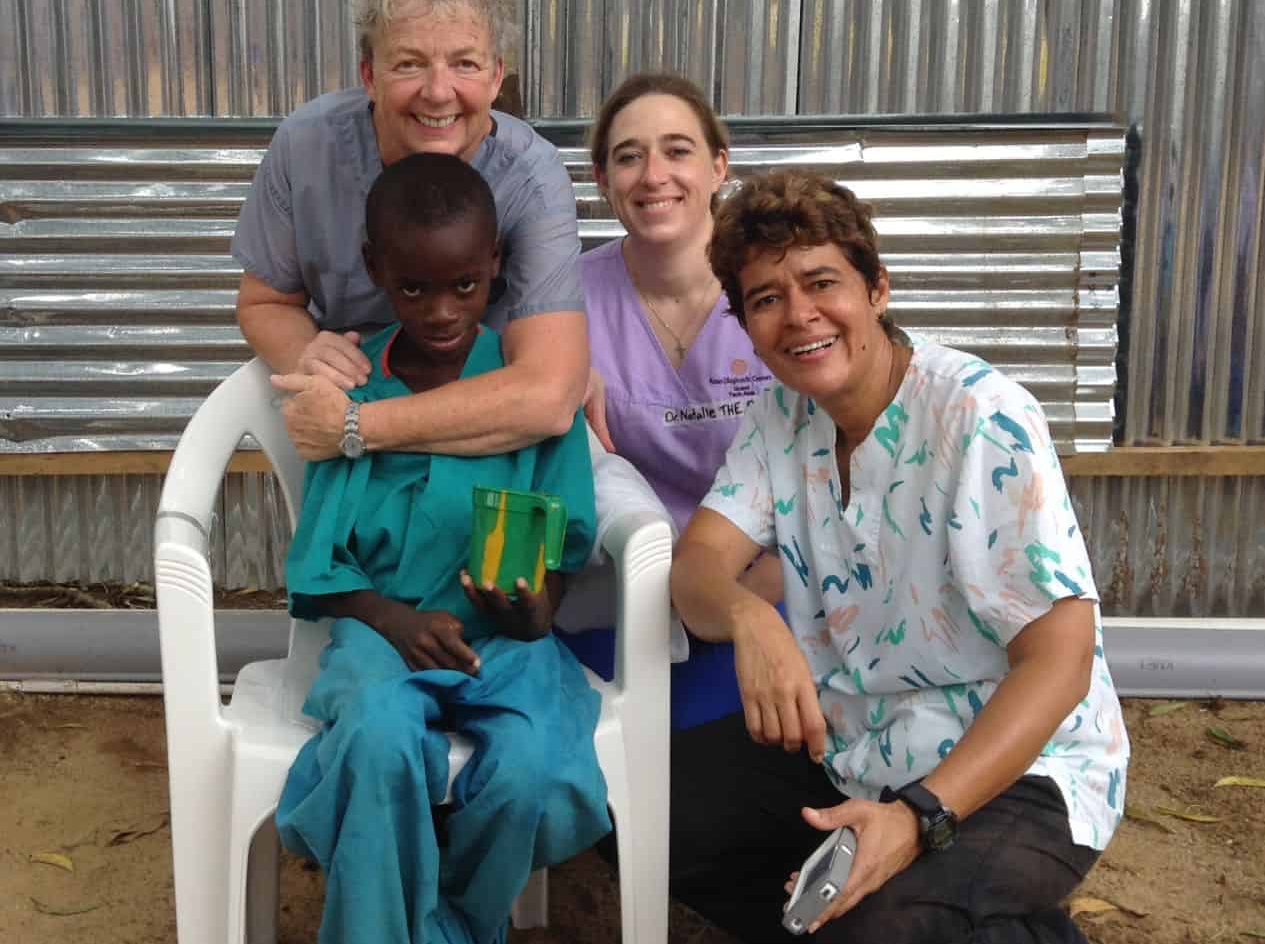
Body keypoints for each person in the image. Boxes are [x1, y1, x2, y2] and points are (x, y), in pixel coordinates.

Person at [667, 170, 1129, 942]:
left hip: (1025, 768)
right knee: (639, 804)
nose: (799, 315)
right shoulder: (781, 416)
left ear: (876, 288)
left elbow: (1060, 661)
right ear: (745, 325)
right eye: (766, 298)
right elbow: (696, 566)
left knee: (876, 924)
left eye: (822, 282)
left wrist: (916, 818)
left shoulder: (980, 417)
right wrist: (752, 617)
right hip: (856, 741)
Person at [275, 152, 609, 944]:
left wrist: (533, 612)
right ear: (374, 269)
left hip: (506, 641)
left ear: (494, 263)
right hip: (379, 631)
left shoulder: (526, 386)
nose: (441, 311)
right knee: (379, 734)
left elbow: (560, 547)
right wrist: (391, 619)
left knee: (529, 764)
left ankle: (451, 924)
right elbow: (320, 565)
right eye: (413, 287)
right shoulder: (358, 386)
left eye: (464, 284)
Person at [231, 0, 587, 461]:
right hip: (350, 415)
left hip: (481, 433)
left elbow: (547, 395)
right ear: (369, 75)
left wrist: (354, 426)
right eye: (409, 63)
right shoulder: (307, 147)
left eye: (464, 63)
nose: (438, 92)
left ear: (496, 77)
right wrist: (307, 352)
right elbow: (264, 301)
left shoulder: (531, 178)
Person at [561, 73, 779, 731]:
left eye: (677, 150)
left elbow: (829, 472)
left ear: (718, 165)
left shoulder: (777, 288)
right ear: (602, 178)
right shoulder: (564, 301)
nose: (654, 174)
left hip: (767, 589)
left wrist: (738, 604)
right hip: (620, 599)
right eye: (629, 155)